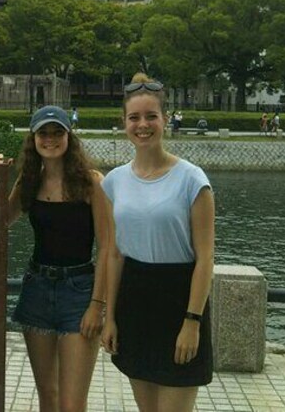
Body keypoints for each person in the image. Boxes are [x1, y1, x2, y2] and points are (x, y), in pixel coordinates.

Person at [100, 74, 215, 412]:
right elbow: (115, 253)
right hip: (134, 300)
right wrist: (110, 317)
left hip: (179, 300)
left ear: (165, 119)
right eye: (134, 117)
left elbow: (205, 258)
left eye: (151, 116)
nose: (143, 125)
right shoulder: (115, 182)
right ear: (123, 123)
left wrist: (192, 322)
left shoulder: (193, 180)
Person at [0, 105, 109, 412]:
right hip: (37, 289)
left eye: (57, 132)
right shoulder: (29, 182)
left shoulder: (92, 182)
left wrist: (98, 305)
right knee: (48, 397)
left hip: (79, 292)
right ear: (33, 138)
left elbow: (109, 248)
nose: (50, 139)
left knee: (72, 404)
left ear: (69, 137)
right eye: (43, 133)